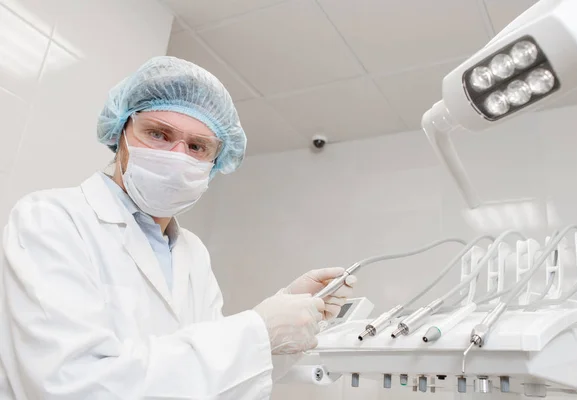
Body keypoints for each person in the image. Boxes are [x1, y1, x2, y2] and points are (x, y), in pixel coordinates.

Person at [0, 56, 357, 399]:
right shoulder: (51, 218)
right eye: (157, 134)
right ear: (121, 132)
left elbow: (208, 374)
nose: (177, 155)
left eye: (198, 146)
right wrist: (258, 331)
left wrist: (280, 323)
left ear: (216, 162)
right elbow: (71, 386)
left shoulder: (192, 252)